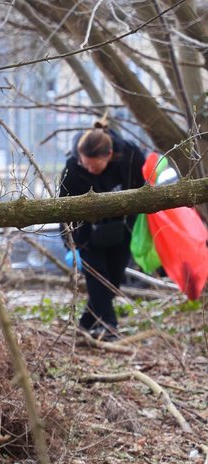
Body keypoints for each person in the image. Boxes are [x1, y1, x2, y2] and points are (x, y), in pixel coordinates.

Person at [59, 121, 146, 341]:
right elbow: (61, 209)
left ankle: (84, 325)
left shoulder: (130, 156)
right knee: (98, 278)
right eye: (85, 164)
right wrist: (70, 245)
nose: (88, 169)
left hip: (121, 229)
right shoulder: (73, 167)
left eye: (94, 166)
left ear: (109, 155)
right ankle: (110, 327)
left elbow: (145, 188)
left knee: (113, 282)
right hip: (87, 234)